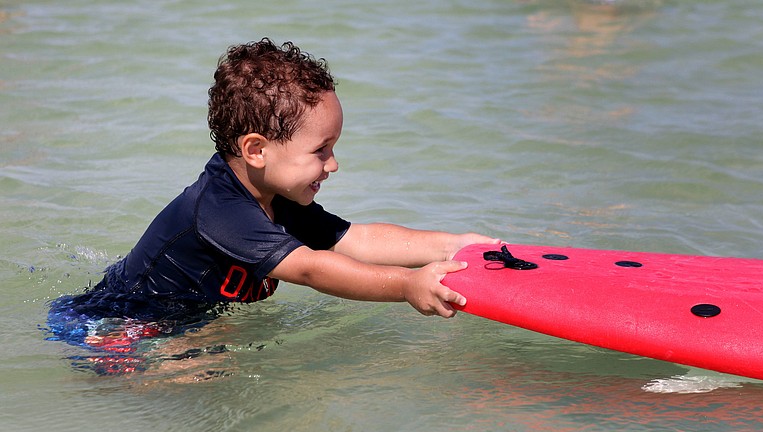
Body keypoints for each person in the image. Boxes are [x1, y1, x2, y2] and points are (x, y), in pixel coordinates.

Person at [46, 38, 500, 371]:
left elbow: (354, 239)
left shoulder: (275, 195)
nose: (334, 164)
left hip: (180, 318)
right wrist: (407, 286)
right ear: (257, 150)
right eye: (321, 150)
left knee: (223, 350)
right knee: (200, 373)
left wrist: (450, 246)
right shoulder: (221, 210)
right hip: (113, 327)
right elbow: (311, 269)